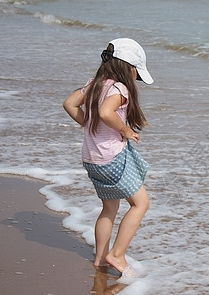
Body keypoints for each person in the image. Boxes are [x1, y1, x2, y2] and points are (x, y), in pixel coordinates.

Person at [63, 38, 154, 278]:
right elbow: (105, 112)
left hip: (91, 158)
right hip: (111, 157)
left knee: (109, 207)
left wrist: (87, 122)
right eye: (136, 73)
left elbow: (69, 103)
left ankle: (100, 260)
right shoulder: (119, 89)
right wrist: (125, 130)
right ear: (128, 67)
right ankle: (117, 255)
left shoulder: (94, 84)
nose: (136, 79)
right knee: (141, 204)